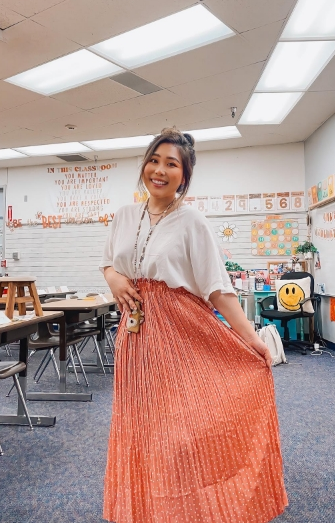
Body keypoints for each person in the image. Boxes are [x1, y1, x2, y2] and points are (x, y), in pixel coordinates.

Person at [100, 128, 288, 523]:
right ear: (144, 165)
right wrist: (114, 278)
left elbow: (218, 290)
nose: (160, 170)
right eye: (155, 160)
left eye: (172, 164)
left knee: (181, 434)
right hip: (135, 338)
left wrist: (251, 339)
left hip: (184, 333)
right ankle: (147, 510)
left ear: (184, 177)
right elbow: (109, 262)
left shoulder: (192, 222)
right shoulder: (123, 215)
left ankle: (192, 509)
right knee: (142, 429)